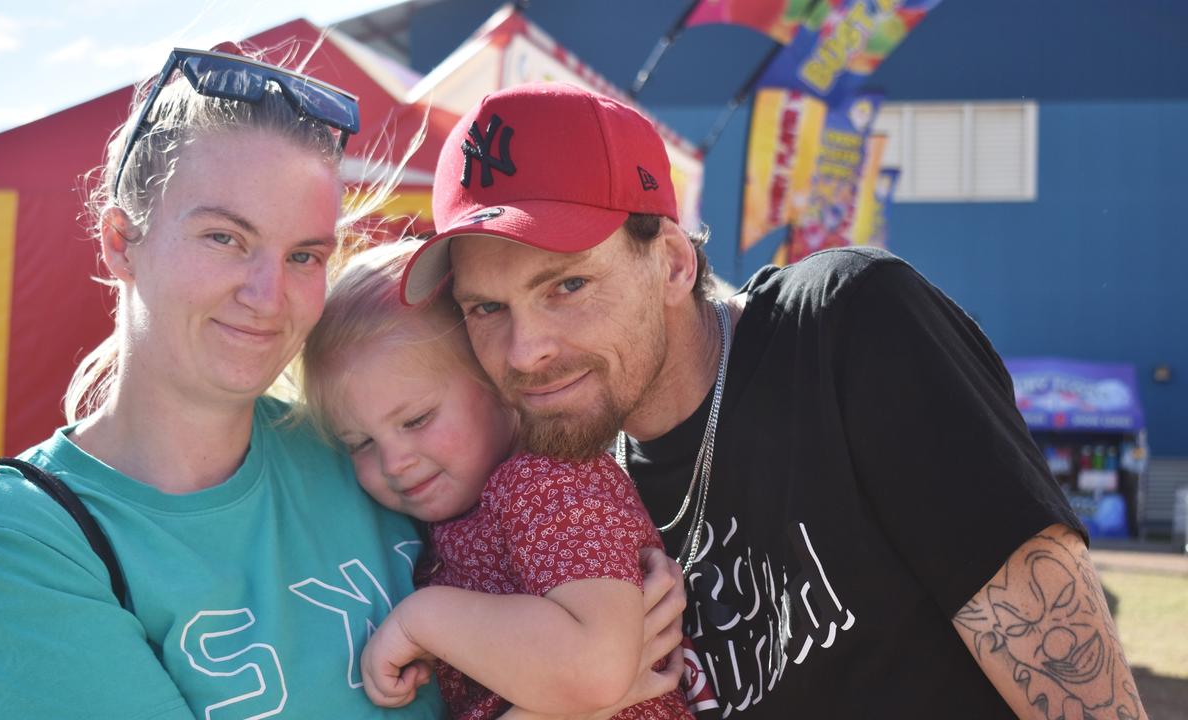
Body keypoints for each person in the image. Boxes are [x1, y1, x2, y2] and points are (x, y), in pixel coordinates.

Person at [399, 81, 1148, 720]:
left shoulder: (845, 327)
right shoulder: (572, 483)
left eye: (567, 285)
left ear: (668, 261)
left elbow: (1075, 682)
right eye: (486, 309)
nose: (526, 352)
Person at [0, 47, 448, 719]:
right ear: (121, 241)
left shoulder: (370, 453)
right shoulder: (19, 538)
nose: (268, 295)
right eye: (225, 238)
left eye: (303, 256)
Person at [300, 240, 692, 719]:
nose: (394, 461)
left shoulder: (547, 484)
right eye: (360, 442)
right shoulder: (454, 518)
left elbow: (597, 669)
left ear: (499, 384)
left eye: (418, 419)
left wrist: (421, 620)